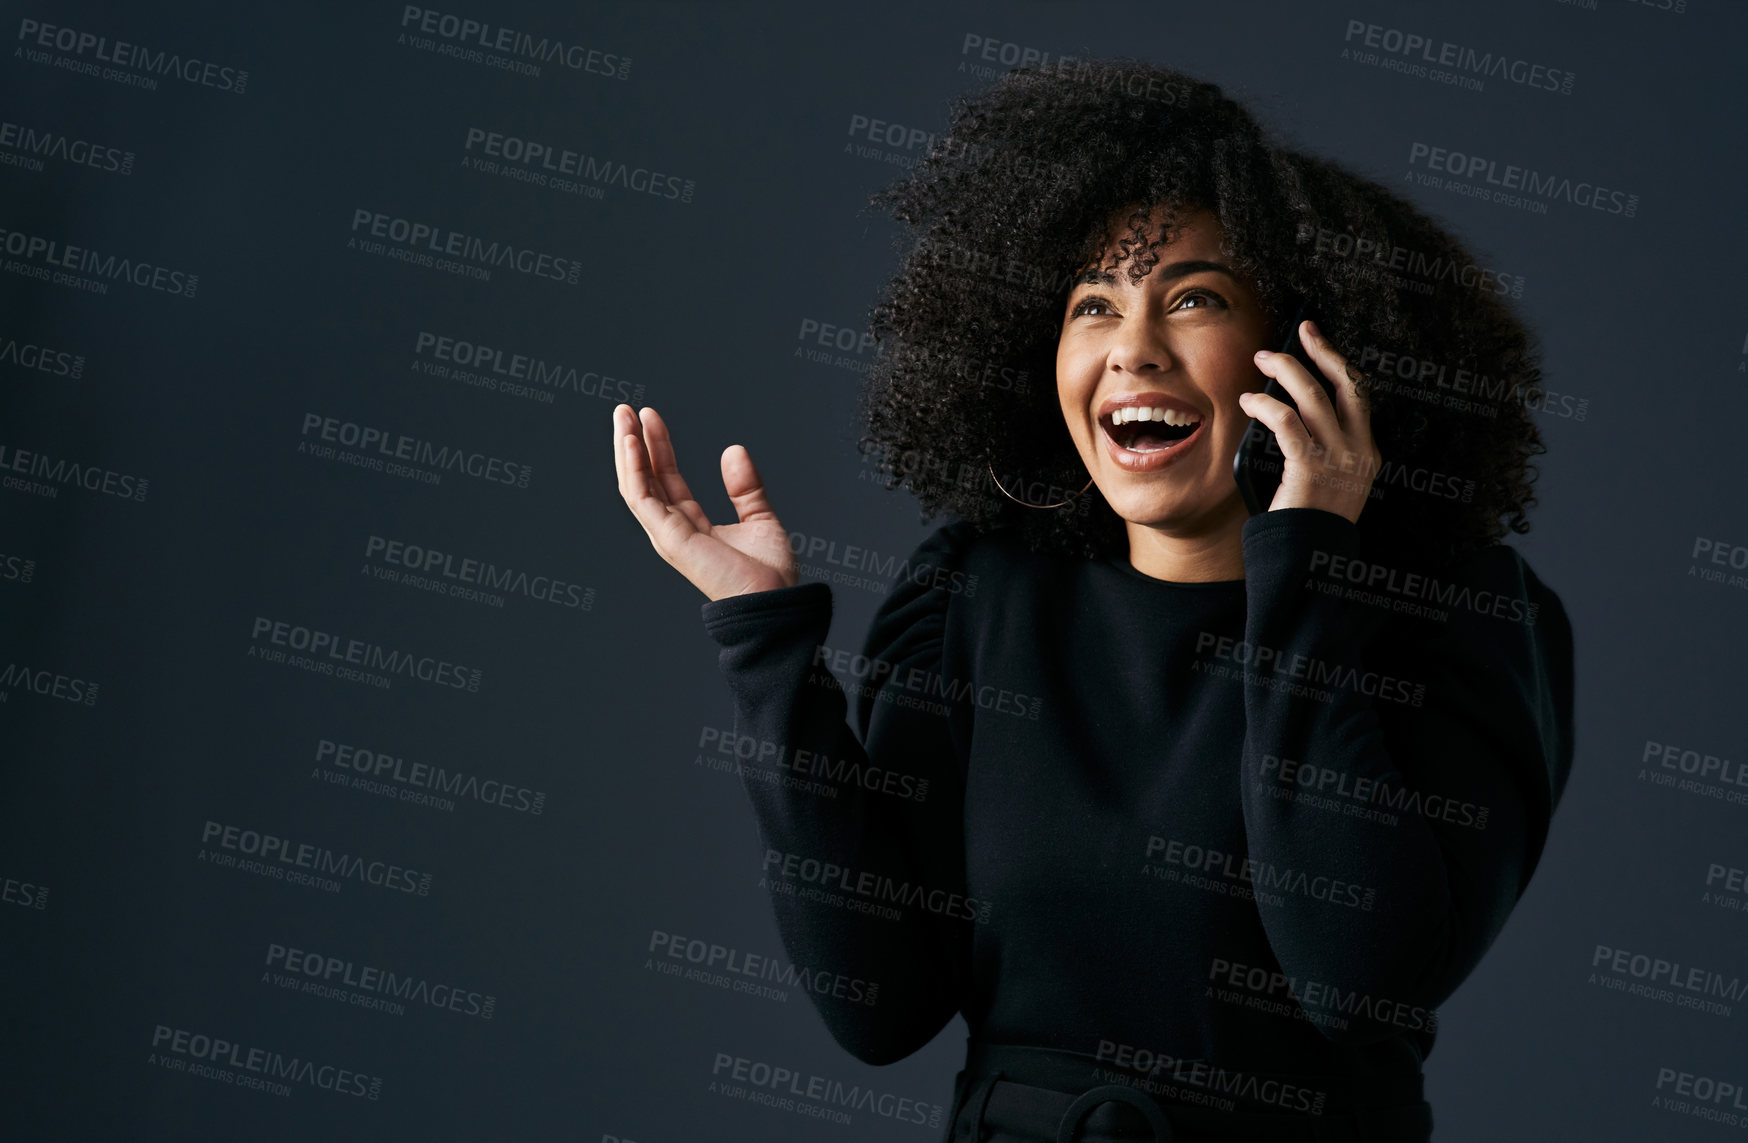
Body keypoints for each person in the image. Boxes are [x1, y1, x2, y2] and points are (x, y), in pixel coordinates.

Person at [612, 58, 1573, 1143]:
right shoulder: (974, 595)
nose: (1131, 349)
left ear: (1308, 348)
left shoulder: (1456, 617)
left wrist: (1310, 566)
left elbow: (1356, 982)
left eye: (1193, 299)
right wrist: (766, 651)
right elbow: (876, 1007)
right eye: (1092, 305)